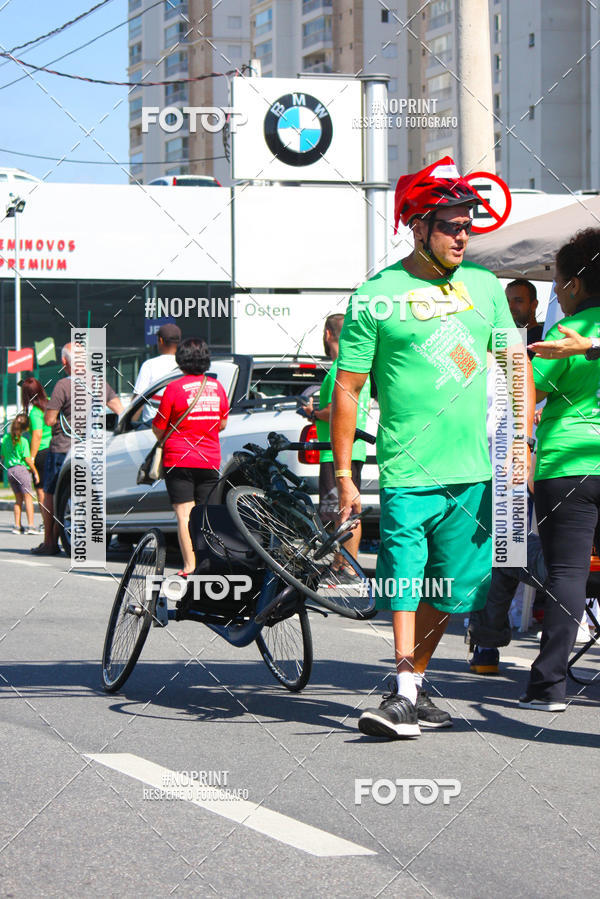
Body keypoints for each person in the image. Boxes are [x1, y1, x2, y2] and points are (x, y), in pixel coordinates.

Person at [331, 156, 535, 738]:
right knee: (404, 576)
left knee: (451, 587)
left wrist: (521, 437)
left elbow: (513, 363)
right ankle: (400, 691)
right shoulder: (376, 296)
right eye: (451, 224)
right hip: (407, 467)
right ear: (418, 228)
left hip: (474, 470)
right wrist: (345, 473)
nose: (463, 234)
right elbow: (349, 387)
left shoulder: (486, 287)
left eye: (468, 223)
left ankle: (412, 686)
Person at [518, 228, 600, 712]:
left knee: (566, 573)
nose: (555, 291)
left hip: (567, 463)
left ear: (573, 285)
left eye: (557, 281)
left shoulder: (565, 334)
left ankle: (548, 686)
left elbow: (531, 386)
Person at [32, 343, 124, 556]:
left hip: (63, 447)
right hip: (92, 449)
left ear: (64, 362)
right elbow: (120, 410)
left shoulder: (62, 386)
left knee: (52, 493)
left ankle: (49, 542)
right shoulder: (100, 383)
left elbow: (49, 420)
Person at [152, 337, 229, 575]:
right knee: (206, 515)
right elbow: (223, 423)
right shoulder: (217, 388)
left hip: (179, 458)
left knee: (184, 514)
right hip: (209, 459)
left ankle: (189, 566)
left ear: (180, 360)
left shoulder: (174, 389)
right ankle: (209, 565)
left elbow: (159, 427)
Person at [302, 313, 371, 563]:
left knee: (341, 512)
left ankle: (346, 567)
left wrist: (313, 413)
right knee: (347, 510)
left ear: (328, 334)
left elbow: (335, 410)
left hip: (336, 451)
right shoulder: (356, 369)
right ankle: (344, 565)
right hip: (354, 449)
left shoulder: (336, 371)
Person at [20, 377, 52, 529]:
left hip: (41, 453)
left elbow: (37, 435)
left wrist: (31, 458)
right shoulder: (51, 402)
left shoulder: (34, 412)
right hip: (56, 448)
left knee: (41, 492)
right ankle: (54, 522)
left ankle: (47, 523)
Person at [133, 323, 181, 421]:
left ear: (161, 340)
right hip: (178, 428)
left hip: (151, 430)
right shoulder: (185, 365)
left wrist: (128, 426)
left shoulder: (149, 365)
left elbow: (138, 400)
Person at [1, 413, 39, 535]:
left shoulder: (6, 439)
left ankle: (17, 526)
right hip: (21, 470)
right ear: (25, 428)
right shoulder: (23, 441)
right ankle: (31, 526)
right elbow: (27, 459)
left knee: (18, 500)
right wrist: (35, 471)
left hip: (10, 471)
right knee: (28, 498)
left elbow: (2, 455)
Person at [505, 279, 543, 356]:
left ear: (534, 305)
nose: (510, 306)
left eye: (518, 301)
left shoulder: (542, 338)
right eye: (507, 301)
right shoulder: (507, 336)